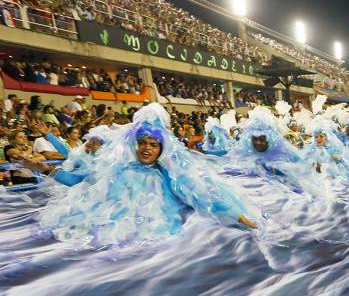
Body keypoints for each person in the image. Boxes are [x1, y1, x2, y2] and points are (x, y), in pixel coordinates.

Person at [38, 104, 257, 245]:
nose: (146, 148)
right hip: (122, 239)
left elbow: (202, 193)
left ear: (162, 148)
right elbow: (78, 181)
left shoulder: (172, 173)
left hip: (164, 239)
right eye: (142, 143)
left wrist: (238, 216)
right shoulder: (117, 169)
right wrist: (44, 169)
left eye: (153, 144)